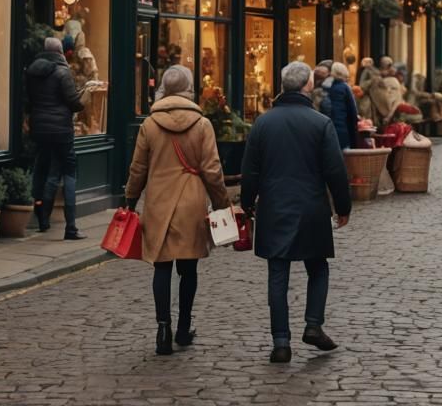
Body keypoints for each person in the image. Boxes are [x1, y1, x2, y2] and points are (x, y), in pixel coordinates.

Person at [240, 61, 352, 364]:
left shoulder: (263, 123)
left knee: (278, 274)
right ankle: (313, 325)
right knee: (317, 267)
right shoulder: (320, 123)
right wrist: (343, 207)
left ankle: (281, 342)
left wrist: (247, 202)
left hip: (274, 207)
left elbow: (249, 170)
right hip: (311, 208)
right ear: (307, 86)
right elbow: (335, 171)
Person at [124, 65, 230, 357]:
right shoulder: (202, 124)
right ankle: (183, 328)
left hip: (159, 202)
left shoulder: (150, 124)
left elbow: (138, 169)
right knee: (189, 269)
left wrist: (131, 199)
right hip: (191, 203)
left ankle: (162, 329)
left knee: (161, 266)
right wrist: (221, 202)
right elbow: (212, 169)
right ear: (189, 88)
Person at [25, 36, 87, 240]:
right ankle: (71, 227)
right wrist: (84, 97)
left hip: (39, 129)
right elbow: (74, 103)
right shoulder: (63, 72)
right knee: (69, 174)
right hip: (61, 131)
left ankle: (42, 219)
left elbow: (29, 101)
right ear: (60, 52)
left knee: (46, 171)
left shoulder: (32, 72)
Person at [326, 61, 359, 150]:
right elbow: (352, 111)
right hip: (342, 130)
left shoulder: (326, 87)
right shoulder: (345, 87)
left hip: (327, 129)